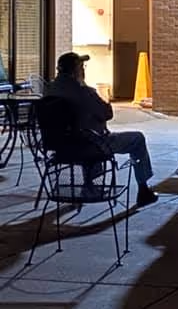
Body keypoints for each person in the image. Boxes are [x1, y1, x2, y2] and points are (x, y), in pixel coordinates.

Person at [45, 52, 159, 207]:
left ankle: (90, 184)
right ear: (76, 70)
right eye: (81, 67)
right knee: (137, 139)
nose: (84, 70)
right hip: (90, 145)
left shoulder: (50, 90)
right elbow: (107, 113)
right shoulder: (84, 92)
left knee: (85, 135)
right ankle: (143, 190)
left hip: (60, 148)